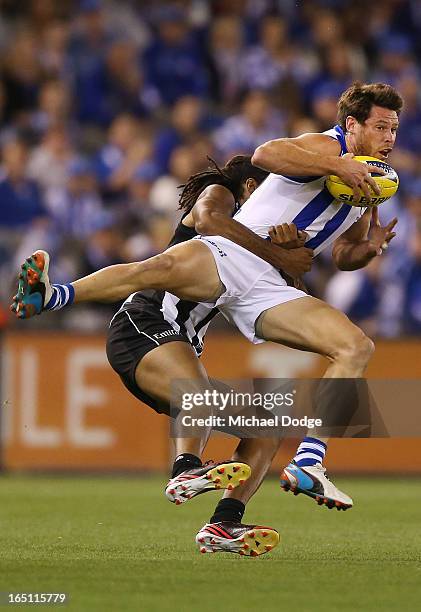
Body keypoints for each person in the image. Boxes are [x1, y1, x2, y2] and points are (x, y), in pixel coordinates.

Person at [12, 155, 312, 557]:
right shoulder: (220, 197)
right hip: (144, 324)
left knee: (265, 428)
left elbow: (287, 294)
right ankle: (185, 468)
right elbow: (206, 218)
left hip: (176, 342)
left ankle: (223, 523)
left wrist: (289, 254)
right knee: (198, 391)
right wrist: (277, 254)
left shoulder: (258, 237)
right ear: (253, 189)